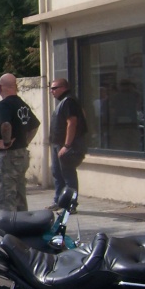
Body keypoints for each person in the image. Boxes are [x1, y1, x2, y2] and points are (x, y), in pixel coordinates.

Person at [0, 74, 40, 212]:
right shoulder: (21, 104)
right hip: (22, 154)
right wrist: (25, 142)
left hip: (8, 156)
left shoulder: (5, 104)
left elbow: (6, 124)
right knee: (19, 195)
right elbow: (35, 125)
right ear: (16, 87)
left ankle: (7, 228)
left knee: (5, 196)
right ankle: (22, 226)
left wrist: (6, 143)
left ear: (0, 87)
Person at [48, 78, 88, 212]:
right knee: (57, 173)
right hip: (57, 144)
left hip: (64, 145)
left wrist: (67, 145)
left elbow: (72, 122)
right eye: (51, 88)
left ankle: (71, 204)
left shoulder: (69, 101)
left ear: (64, 88)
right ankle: (59, 200)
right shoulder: (64, 102)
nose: (51, 91)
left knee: (68, 174)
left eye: (54, 88)